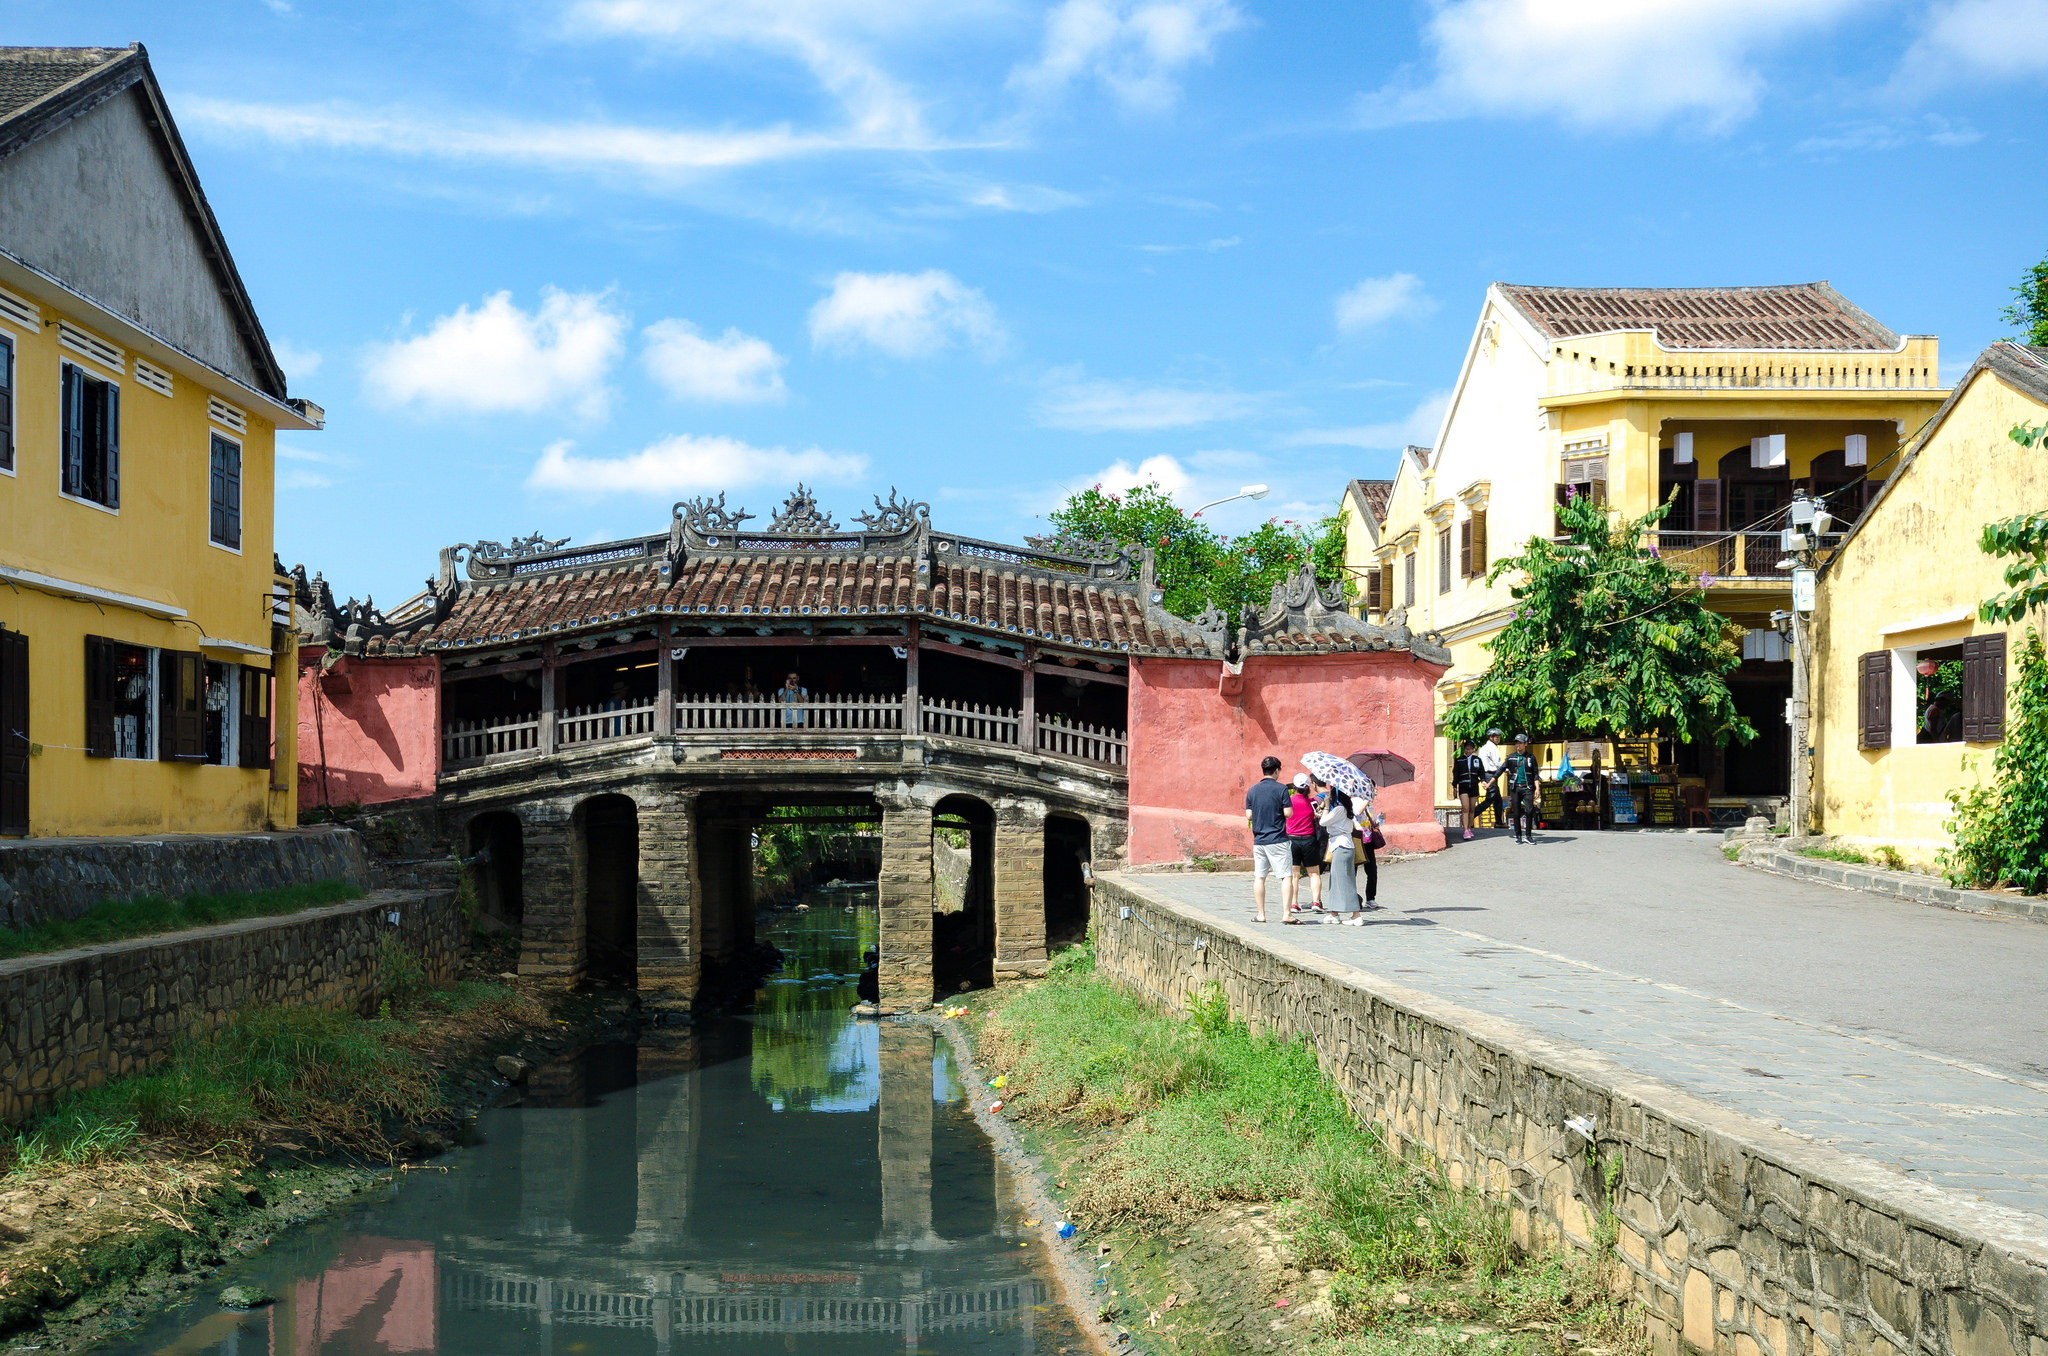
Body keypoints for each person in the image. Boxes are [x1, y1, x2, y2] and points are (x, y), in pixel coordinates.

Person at [1245, 756, 1292, 923]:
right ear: (1277, 770)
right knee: (1286, 876)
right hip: (1278, 838)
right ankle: (1286, 914)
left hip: (1259, 840)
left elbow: (1249, 815)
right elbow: (1287, 813)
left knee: (1260, 877)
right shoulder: (1281, 789)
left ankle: (1261, 914)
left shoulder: (1252, 790)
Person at [1314, 780, 1363, 924]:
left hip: (1341, 845)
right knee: (1335, 880)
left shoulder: (1339, 809)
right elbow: (1327, 820)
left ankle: (1356, 915)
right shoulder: (1344, 809)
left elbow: (1323, 822)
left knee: (1345, 881)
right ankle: (1334, 913)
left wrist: (1327, 806)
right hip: (1340, 845)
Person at [1285, 773, 1324, 914]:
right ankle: (1316, 902)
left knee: (1294, 875)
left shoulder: (1288, 801)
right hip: (1309, 840)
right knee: (1314, 873)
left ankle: (1294, 903)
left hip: (1292, 839)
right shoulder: (1313, 802)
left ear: (1294, 787)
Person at [1503, 732, 1543, 844]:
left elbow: (1535, 774)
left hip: (1527, 788)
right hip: (1516, 788)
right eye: (1516, 743)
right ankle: (1518, 835)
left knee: (1529, 811)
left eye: (1520, 743)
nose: (1518, 745)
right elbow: (1503, 768)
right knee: (1516, 812)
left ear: (1526, 744)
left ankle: (1528, 835)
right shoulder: (1511, 757)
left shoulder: (1531, 757)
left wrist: (1537, 788)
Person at [1453, 737, 1487, 841]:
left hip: (1474, 786)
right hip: (1463, 786)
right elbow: (1455, 774)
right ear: (1464, 749)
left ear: (1473, 749)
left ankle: (1469, 828)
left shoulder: (1477, 760)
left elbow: (1481, 772)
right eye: (1466, 749)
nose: (1468, 751)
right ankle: (1465, 830)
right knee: (1465, 808)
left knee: (1472, 808)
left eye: (1470, 749)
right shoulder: (1459, 760)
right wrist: (1455, 785)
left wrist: (1483, 780)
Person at [1476, 729, 1506, 829]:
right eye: (1496, 737)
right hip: (1490, 774)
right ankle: (1472, 815)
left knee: (1498, 799)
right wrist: (1506, 769)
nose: (1498, 739)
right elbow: (1497, 762)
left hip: (1487, 775)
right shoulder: (1492, 748)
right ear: (1491, 737)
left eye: (1498, 737)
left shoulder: (1484, 748)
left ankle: (1499, 822)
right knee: (1490, 798)